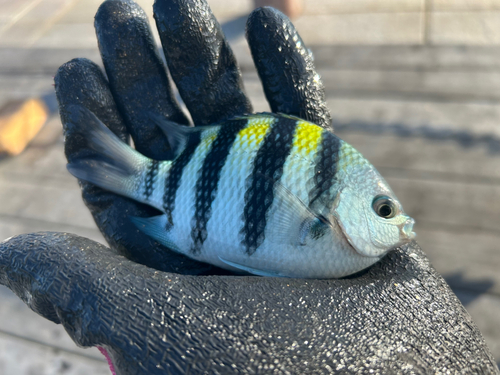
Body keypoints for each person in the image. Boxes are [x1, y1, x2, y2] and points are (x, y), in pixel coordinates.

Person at [0, 0, 498, 373]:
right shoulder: (338, 230)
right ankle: (129, 168)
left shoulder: (352, 238)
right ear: (344, 206)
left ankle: (127, 167)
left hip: (196, 219)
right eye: (384, 209)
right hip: (197, 200)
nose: (400, 222)